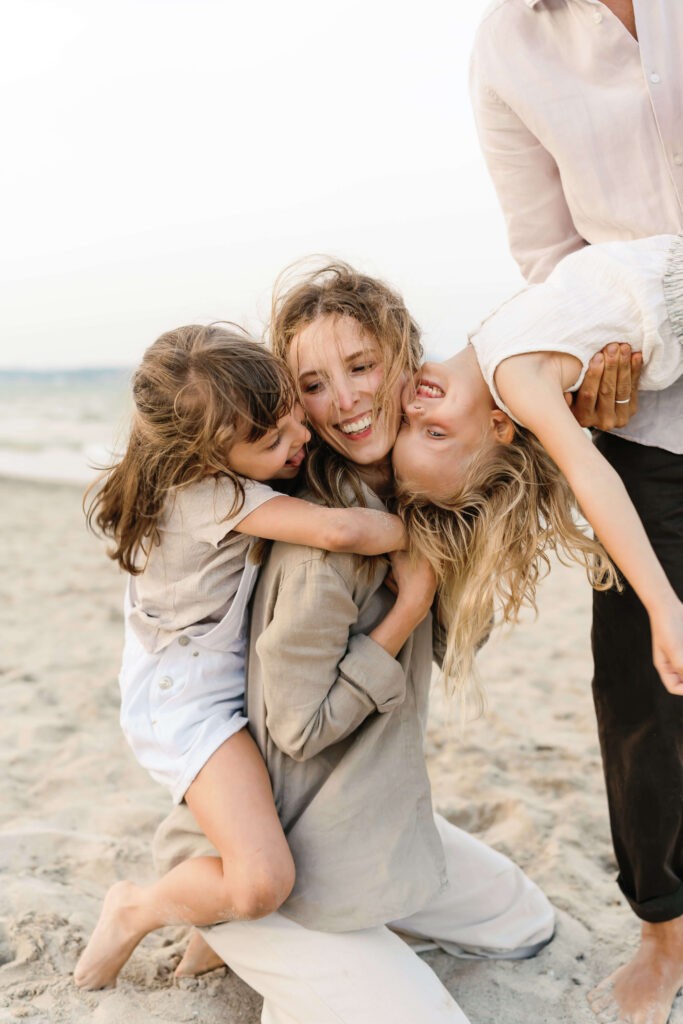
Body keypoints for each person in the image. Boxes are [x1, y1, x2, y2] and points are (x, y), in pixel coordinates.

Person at [151, 263, 631, 1023]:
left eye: (362, 366)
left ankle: (270, 944)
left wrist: (578, 413)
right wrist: (404, 610)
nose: (342, 402)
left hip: (360, 809)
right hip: (280, 844)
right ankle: (208, 914)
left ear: (405, 361)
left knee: (524, 924)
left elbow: (505, 462)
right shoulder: (323, 543)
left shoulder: (415, 486)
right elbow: (300, 731)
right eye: (312, 384)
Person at [74, 322, 409, 990]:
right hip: (186, 700)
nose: (300, 439)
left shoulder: (222, 467)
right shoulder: (206, 494)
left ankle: (210, 939)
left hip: (204, 676)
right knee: (261, 883)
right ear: (205, 456)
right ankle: (135, 908)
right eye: (272, 440)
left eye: (293, 413)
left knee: (265, 825)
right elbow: (340, 529)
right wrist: (416, 536)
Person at [469, 3, 683, 1020]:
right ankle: (662, 931)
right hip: (646, 409)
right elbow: (549, 255)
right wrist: (598, 366)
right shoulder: (508, 45)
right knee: (642, 704)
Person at [392, 231, 683, 699]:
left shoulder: (489, 346)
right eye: (435, 434)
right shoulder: (513, 379)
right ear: (498, 427)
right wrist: (663, 604)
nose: (414, 412)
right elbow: (590, 476)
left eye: (407, 427)